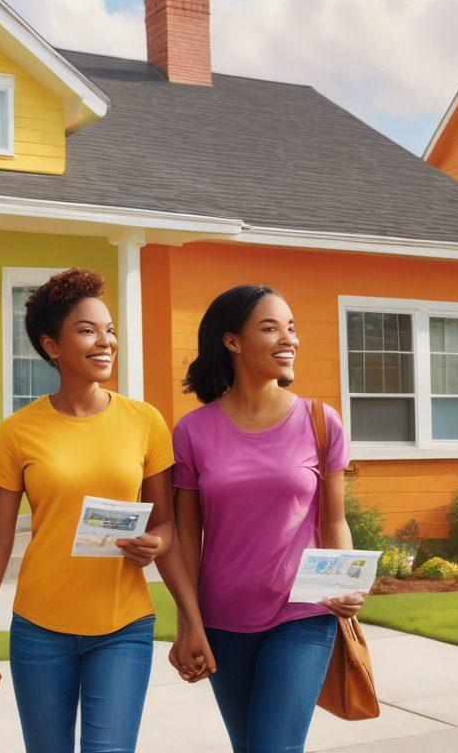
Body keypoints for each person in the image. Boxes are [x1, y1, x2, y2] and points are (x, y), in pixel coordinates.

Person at [0, 268, 177, 753]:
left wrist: (156, 543)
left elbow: (165, 520)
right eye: (87, 331)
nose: (105, 342)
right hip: (40, 630)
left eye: (109, 330)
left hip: (123, 625)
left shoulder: (145, 421)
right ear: (52, 346)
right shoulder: (18, 430)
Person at [159, 284, 363, 753]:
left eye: (291, 328)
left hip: (303, 614)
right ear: (232, 341)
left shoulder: (320, 420)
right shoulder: (192, 432)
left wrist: (347, 579)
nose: (288, 338)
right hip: (222, 620)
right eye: (270, 328)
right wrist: (188, 624)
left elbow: (334, 521)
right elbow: (188, 540)